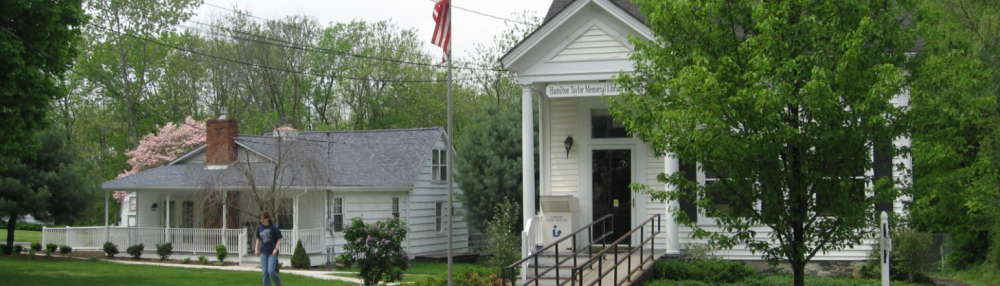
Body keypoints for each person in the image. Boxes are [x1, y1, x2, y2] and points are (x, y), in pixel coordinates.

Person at [255, 210, 283, 286]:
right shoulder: (260, 228)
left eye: (263, 219)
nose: (262, 220)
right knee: (264, 272)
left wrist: (276, 249)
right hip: (263, 252)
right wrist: (256, 248)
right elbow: (258, 238)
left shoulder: (274, 228)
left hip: (272, 252)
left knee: (270, 271)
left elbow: (279, 239)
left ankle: (279, 283)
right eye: (261, 219)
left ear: (268, 218)